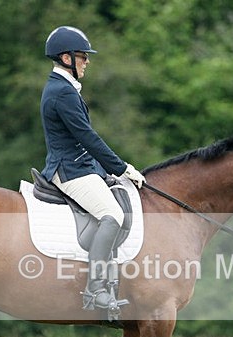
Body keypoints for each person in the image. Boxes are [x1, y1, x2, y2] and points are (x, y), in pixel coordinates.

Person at [40, 25, 145, 311]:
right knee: (112, 216)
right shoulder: (62, 92)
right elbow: (87, 137)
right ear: (66, 58)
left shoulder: (64, 88)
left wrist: (105, 170)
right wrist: (121, 168)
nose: (87, 61)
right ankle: (95, 289)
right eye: (82, 56)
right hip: (69, 170)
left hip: (81, 165)